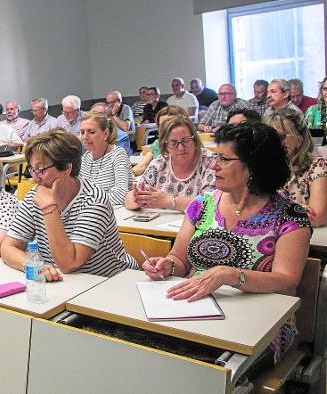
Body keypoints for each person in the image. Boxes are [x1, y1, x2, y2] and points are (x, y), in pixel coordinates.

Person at [143, 122, 311, 365]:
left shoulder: (289, 215)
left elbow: (286, 281)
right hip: (196, 311)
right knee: (152, 355)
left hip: (259, 322)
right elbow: (179, 259)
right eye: (214, 157)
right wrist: (167, 265)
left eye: (223, 159)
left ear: (253, 165)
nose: (213, 165)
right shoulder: (203, 204)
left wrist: (230, 275)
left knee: (204, 369)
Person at [1, 129, 138, 280]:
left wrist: (49, 208)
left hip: (111, 282)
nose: (34, 179)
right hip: (67, 284)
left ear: (67, 168)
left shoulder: (94, 200)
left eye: (40, 170)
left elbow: (69, 263)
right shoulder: (35, 195)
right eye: (32, 170)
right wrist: (32, 265)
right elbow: (8, 247)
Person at [126, 115, 216, 211]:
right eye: (173, 143)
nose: (181, 148)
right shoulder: (159, 164)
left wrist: (170, 201)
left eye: (186, 140)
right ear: (165, 146)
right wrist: (135, 200)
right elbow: (133, 195)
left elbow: (211, 204)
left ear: (195, 140)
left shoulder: (212, 163)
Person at [265, 109, 327, 227]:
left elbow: (318, 217)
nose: (273, 141)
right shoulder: (261, 166)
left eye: (280, 136)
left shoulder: (317, 165)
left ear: (299, 139)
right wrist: (295, 211)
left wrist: (271, 213)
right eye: (269, 136)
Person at [80, 111, 132, 207]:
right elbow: (78, 192)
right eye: (82, 132)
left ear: (105, 133)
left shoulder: (118, 154)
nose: (85, 137)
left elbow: (120, 196)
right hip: (92, 211)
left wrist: (86, 201)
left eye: (91, 132)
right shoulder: (86, 157)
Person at [131, 105, 189, 176]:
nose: (164, 128)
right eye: (161, 124)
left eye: (169, 123)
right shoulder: (158, 144)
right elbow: (142, 166)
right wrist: (129, 175)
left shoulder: (189, 144)